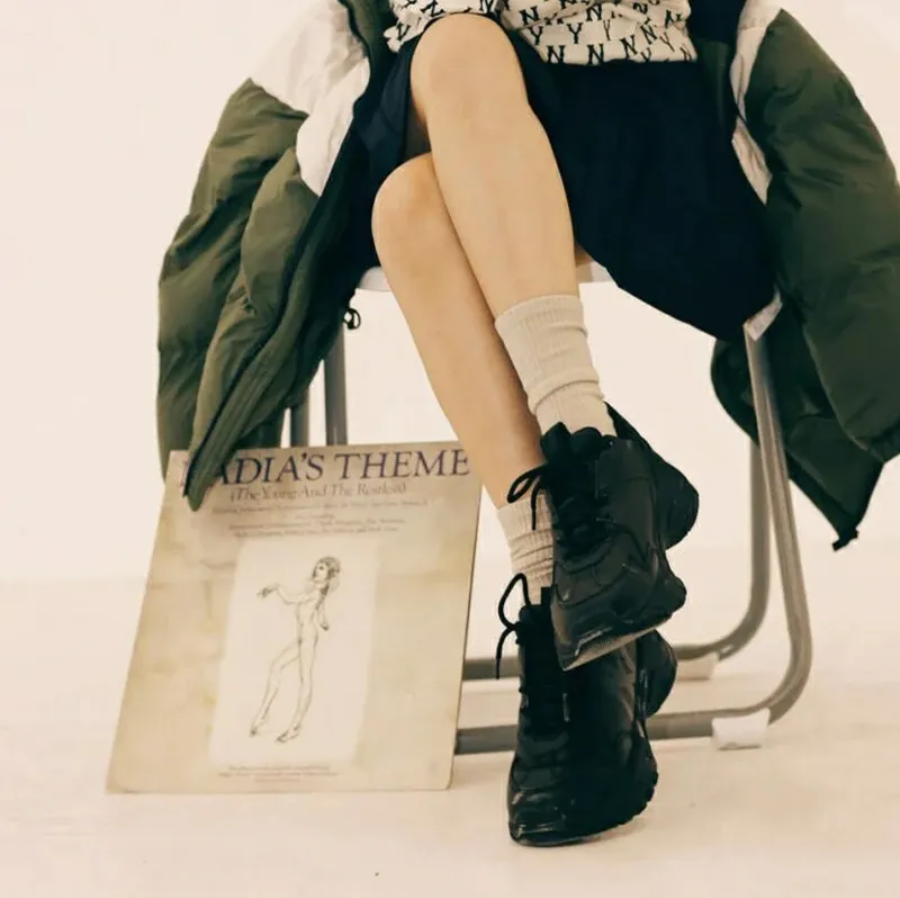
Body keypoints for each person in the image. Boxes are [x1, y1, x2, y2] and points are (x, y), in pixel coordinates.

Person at [350, 0, 775, 846]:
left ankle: (565, 583)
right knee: (455, 59)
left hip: (617, 85)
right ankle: (590, 515)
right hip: (448, 93)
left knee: (410, 205)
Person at [249, 557, 342, 743]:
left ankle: (294, 727)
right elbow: (321, 613)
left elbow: (290, 600)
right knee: (276, 666)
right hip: (302, 638)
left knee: (305, 679)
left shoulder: (315, 592)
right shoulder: (318, 592)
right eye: (317, 567)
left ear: (328, 575)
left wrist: (276, 587)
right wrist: (323, 622)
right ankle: (263, 714)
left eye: (321, 568)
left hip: (308, 638)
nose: (316, 570)